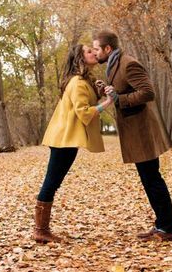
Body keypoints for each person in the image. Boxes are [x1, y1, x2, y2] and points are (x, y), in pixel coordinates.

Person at [93, 31, 172, 241]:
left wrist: (120, 99)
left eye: (96, 49)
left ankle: (168, 227)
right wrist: (107, 91)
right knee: (149, 179)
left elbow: (148, 93)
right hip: (134, 132)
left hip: (142, 131)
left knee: (152, 179)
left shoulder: (128, 63)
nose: (94, 53)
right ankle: (162, 224)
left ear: (107, 49)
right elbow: (121, 90)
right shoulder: (114, 65)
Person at [33, 44, 113, 243]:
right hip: (63, 139)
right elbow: (84, 112)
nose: (93, 53)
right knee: (51, 183)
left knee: (53, 182)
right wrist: (107, 102)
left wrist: (100, 92)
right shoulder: (77, 82)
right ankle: (40, 230)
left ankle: (41, 229)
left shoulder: (83, 81)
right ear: (80, 59)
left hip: (67, 138)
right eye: (88, 51)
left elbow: (86, 101)